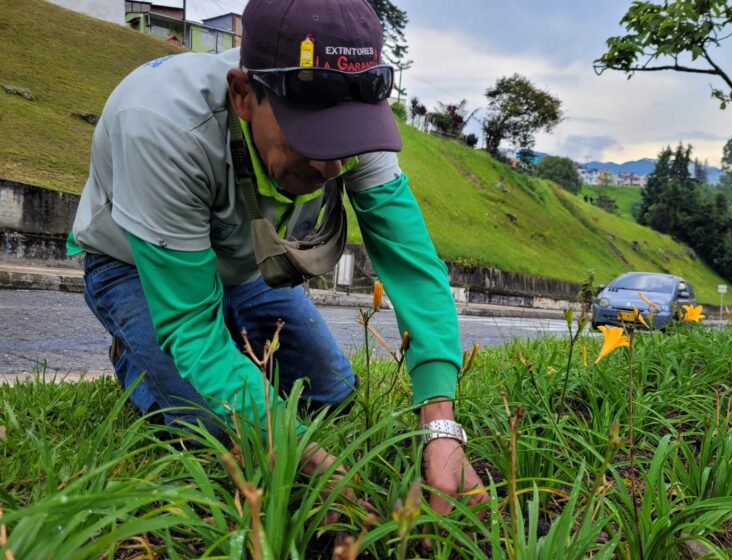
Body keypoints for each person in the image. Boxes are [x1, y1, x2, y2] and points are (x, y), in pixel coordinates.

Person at [68, 0, 486, 517]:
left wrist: (440, 427)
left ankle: (232, 341)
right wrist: (306, 458)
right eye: (311, 138)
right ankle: (134, 353)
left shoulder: (357, 117)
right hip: (134, 264)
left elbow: (413, 265)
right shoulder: (159, 124)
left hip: (241, 267)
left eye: (345, 141)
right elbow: (192, 329)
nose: (332, 164)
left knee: (330, 391)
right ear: (243, 95)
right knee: (216, 427)